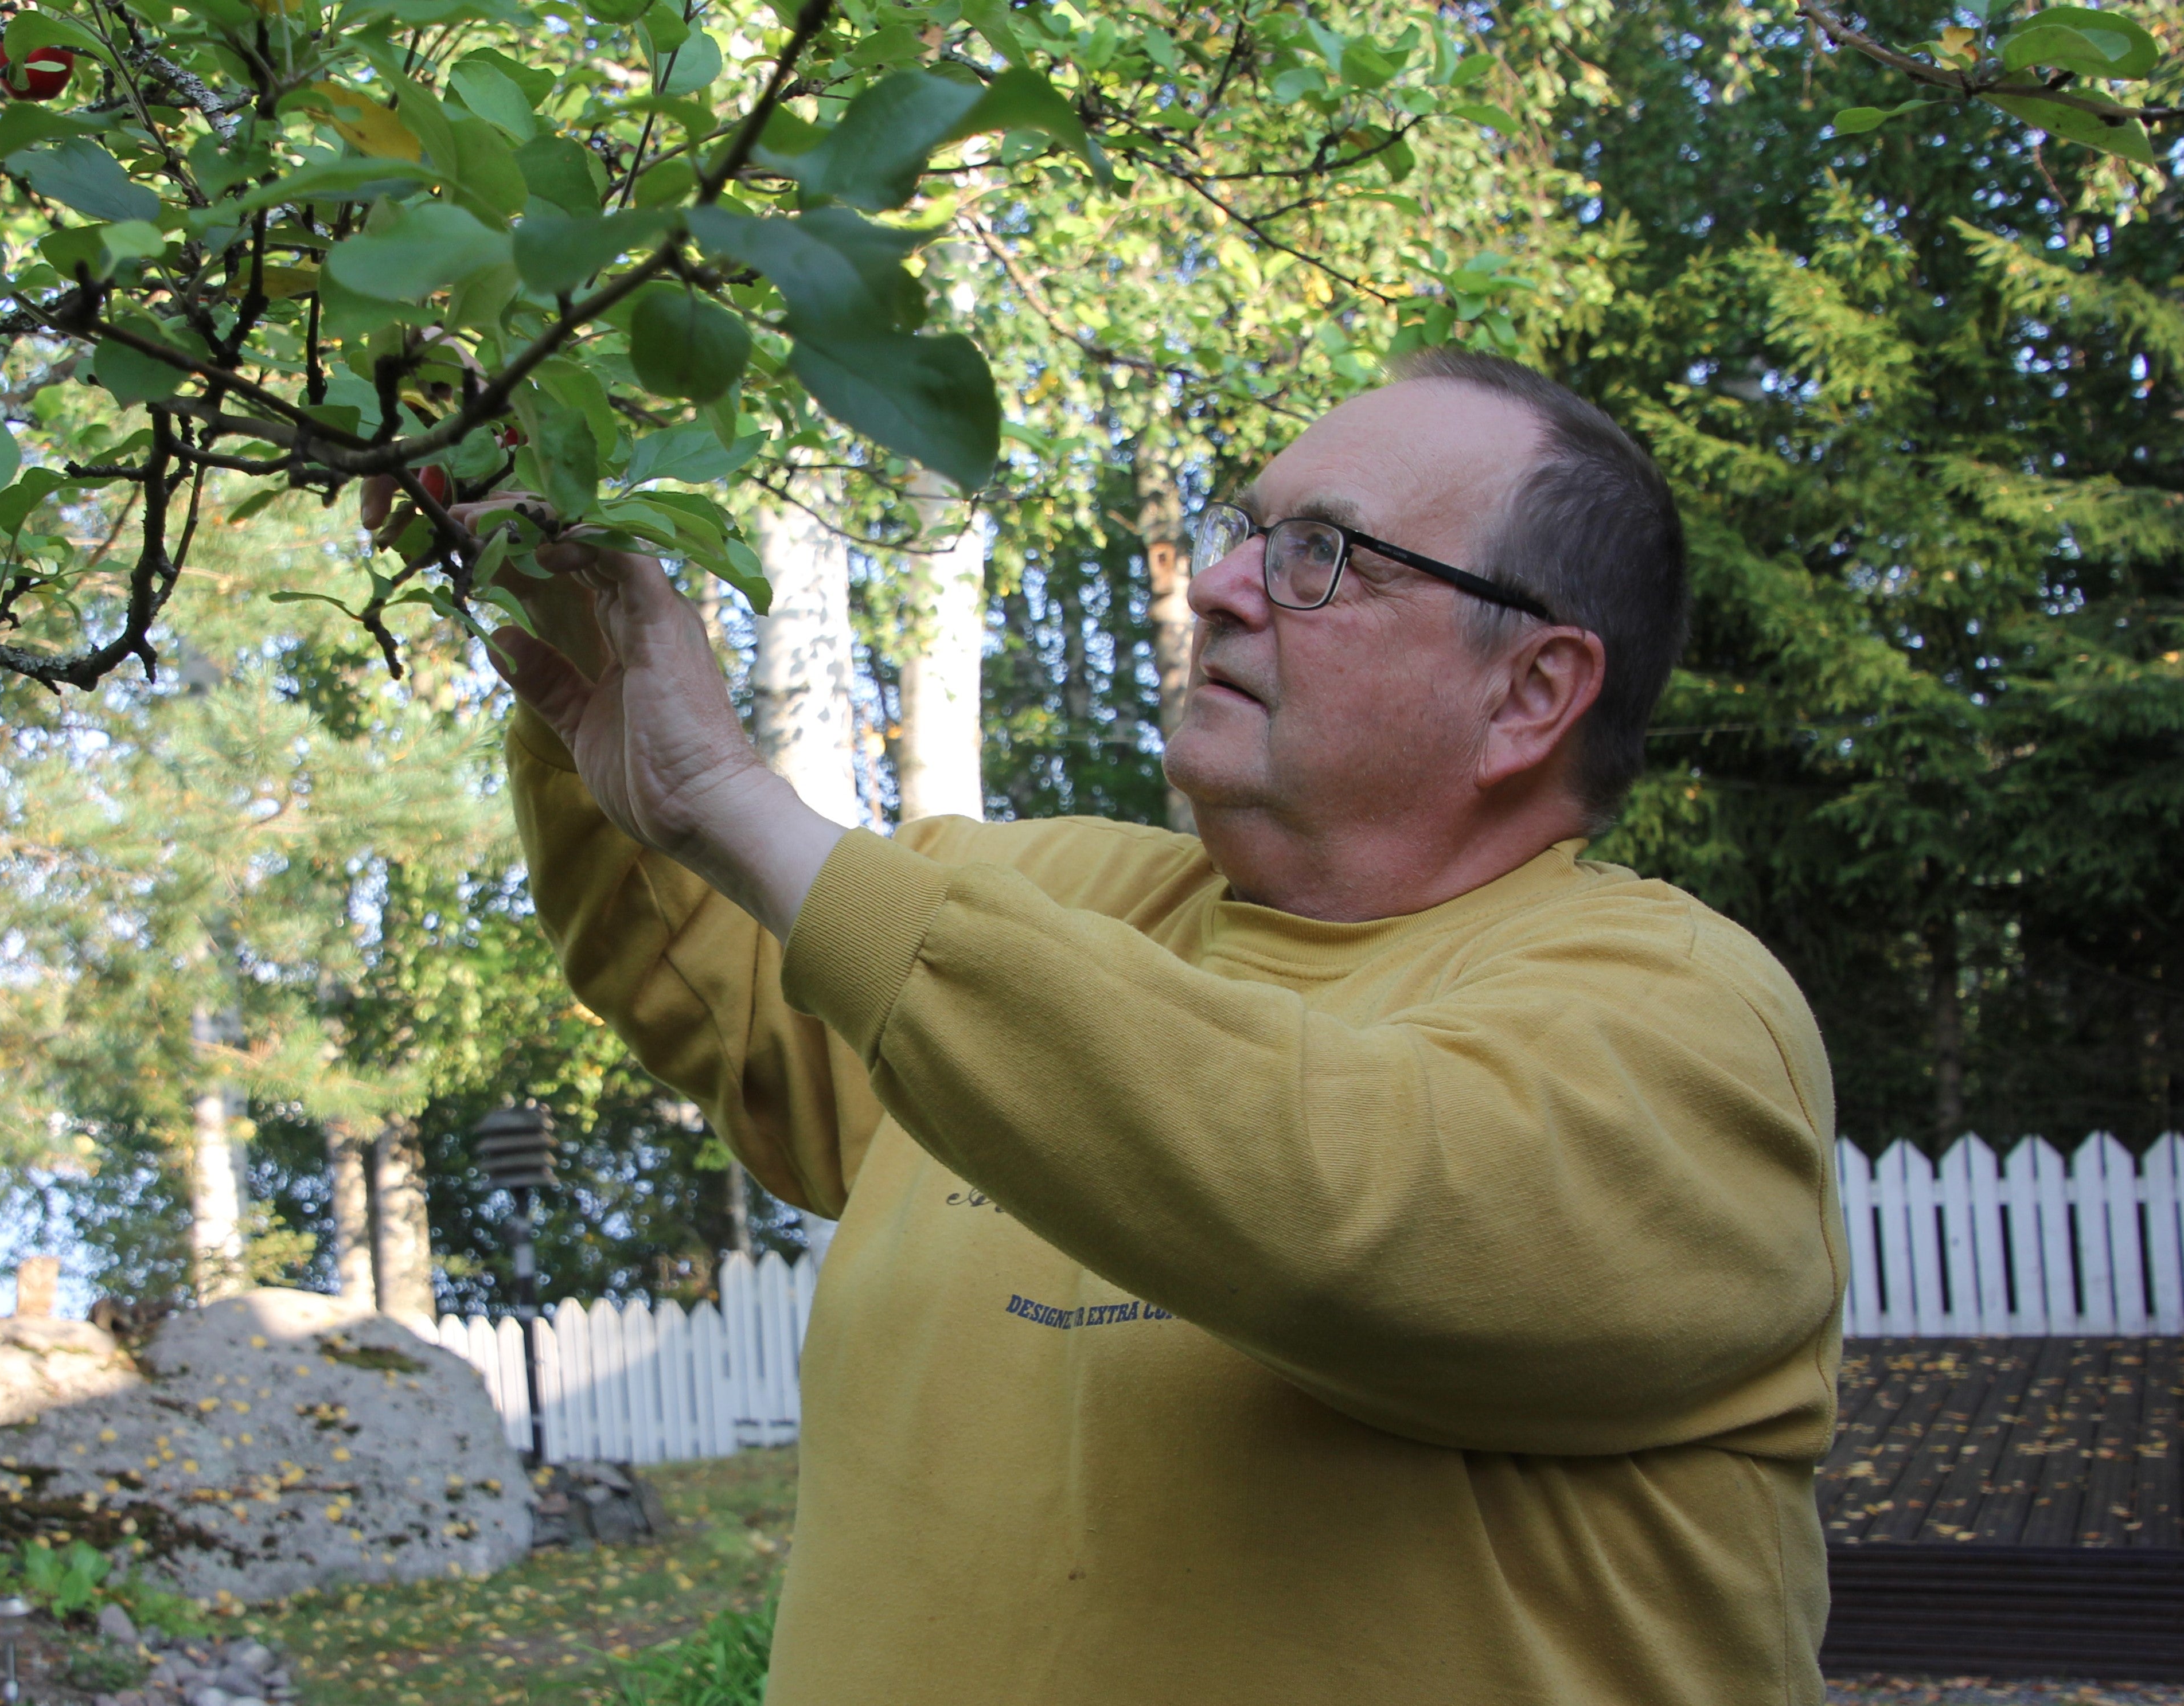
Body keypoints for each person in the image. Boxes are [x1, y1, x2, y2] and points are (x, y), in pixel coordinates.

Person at [483, 349, 1844, 1705]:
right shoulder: (1035, 899)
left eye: (1323, 555)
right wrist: (578, 655)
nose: (1216, 586)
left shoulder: (1681, 1020)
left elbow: (1335, 1205)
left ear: (1530, 692)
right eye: (1240, 530)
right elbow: (718, 966)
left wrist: (737, 800)